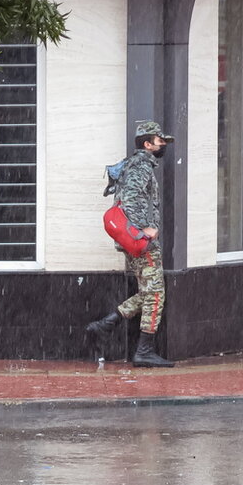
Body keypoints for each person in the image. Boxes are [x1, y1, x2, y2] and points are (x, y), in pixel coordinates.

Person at [85, 120, 175, 368]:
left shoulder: (136, 165)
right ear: (148, 144)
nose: (164, 144)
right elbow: (132, 199)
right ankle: (143, 351)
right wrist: (144, 232)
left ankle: (105, 325)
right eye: (160, 140)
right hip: (141, 243)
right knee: (155, 294)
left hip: (135, 242)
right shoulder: (141, 166)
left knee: (149, 291)